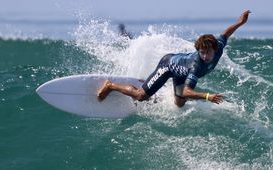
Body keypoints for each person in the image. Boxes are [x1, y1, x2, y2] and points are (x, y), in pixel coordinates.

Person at [98, 10, 251, 107]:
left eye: (207, 53)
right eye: (201, 52)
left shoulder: (218, 46)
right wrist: (207, 96)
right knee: (141, 96)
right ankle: (111, 86)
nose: (204, 56)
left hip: (180, 72)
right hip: (168, 65)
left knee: (179, 104)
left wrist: (240, 22)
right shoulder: (196, 66)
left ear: (214, 49)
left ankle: (148, 85)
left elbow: (226, 33)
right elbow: (187, 91)